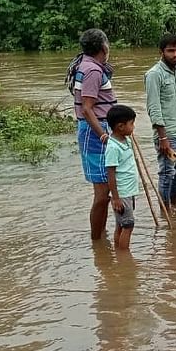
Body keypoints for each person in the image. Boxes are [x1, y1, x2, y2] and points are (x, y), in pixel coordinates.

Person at [71, 28, 117, 241]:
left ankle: (100, 236)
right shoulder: (92, 70)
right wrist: (104, 136)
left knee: (105, 190)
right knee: (102, 194)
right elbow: (88, 108)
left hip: (96, 128)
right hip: (94, 130)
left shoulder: (89, 66)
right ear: (103, 47)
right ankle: (97, 240)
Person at [144, 33, 176, 212]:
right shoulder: (154, 74)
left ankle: (175, 210)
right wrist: (163, 138)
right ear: (161, 52)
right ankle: (166, 212)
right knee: (167, 174)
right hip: (167, 136)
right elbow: (153, 108)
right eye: (171, 51)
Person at [103, 104, 141, 251]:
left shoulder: (125, 140)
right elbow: (110, 173)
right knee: (128, 226)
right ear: (120, 126)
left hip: (129, 191)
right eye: (131, 124)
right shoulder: (113, 148)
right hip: (122, 193)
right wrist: (116, 197)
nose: (133, 127)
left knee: (121, 224)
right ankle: (124, 256)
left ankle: (119, 253)